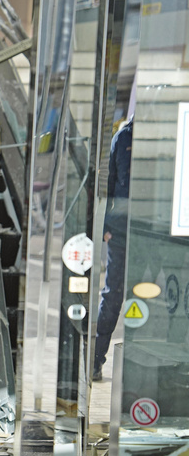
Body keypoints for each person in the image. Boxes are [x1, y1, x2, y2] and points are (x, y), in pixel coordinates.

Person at [93, 117, 132, 382]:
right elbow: (109, 182)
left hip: (153, 232)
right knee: (112, 295)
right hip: (120, 230)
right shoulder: (124, 136)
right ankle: (96, 361)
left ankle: (139, 371)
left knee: (148, 298)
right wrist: (105, 225)